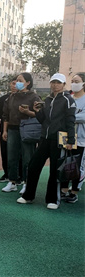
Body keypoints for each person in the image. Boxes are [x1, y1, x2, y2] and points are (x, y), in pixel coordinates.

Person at [17, 73, 76, 210]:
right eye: (53, 82)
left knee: (55, 171)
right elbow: (44, 121)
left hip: (58, 140)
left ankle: (53, 199)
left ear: (63, 84)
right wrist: (38, 112)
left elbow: (70, 122)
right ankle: (28, 196)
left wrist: (70, 141)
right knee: (33, 167)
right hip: (44, 138)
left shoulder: (68, 100)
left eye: (58, 82)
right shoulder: (48, 99)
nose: (55, 85)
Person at [1, 72, 41, 194]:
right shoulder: (11, 97)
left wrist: (28, 112)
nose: (17, 82)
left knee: (27, 157)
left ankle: (26, 182)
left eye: (20, 80)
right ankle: (12, 181)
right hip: (13, 129)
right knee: (12, 156)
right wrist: (4, 130)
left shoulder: (34, 97)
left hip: (28, 129)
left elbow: (40, 114)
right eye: (16, 80)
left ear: (28, 83)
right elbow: (5, 115)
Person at [61, 73, 85, 203]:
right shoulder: (69, 98)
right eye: (73, 81)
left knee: (76, 164)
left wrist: (70, 117)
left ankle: (74, 192)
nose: (74, 83)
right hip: (65, 137)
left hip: (81, 139)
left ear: (83, 84)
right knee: (66, 163)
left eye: (77, 81)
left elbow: (83, 118)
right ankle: (63, 190)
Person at [0, 76, 18, 183]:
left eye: (17, 83)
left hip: (18, 128)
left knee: (17, 153)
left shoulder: (24, 98)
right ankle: (6, 173)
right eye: (13, 83)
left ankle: (18, 175)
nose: (14, 86)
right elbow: (1, 114)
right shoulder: (4, 98)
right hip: (5, 128)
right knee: (5, 151)